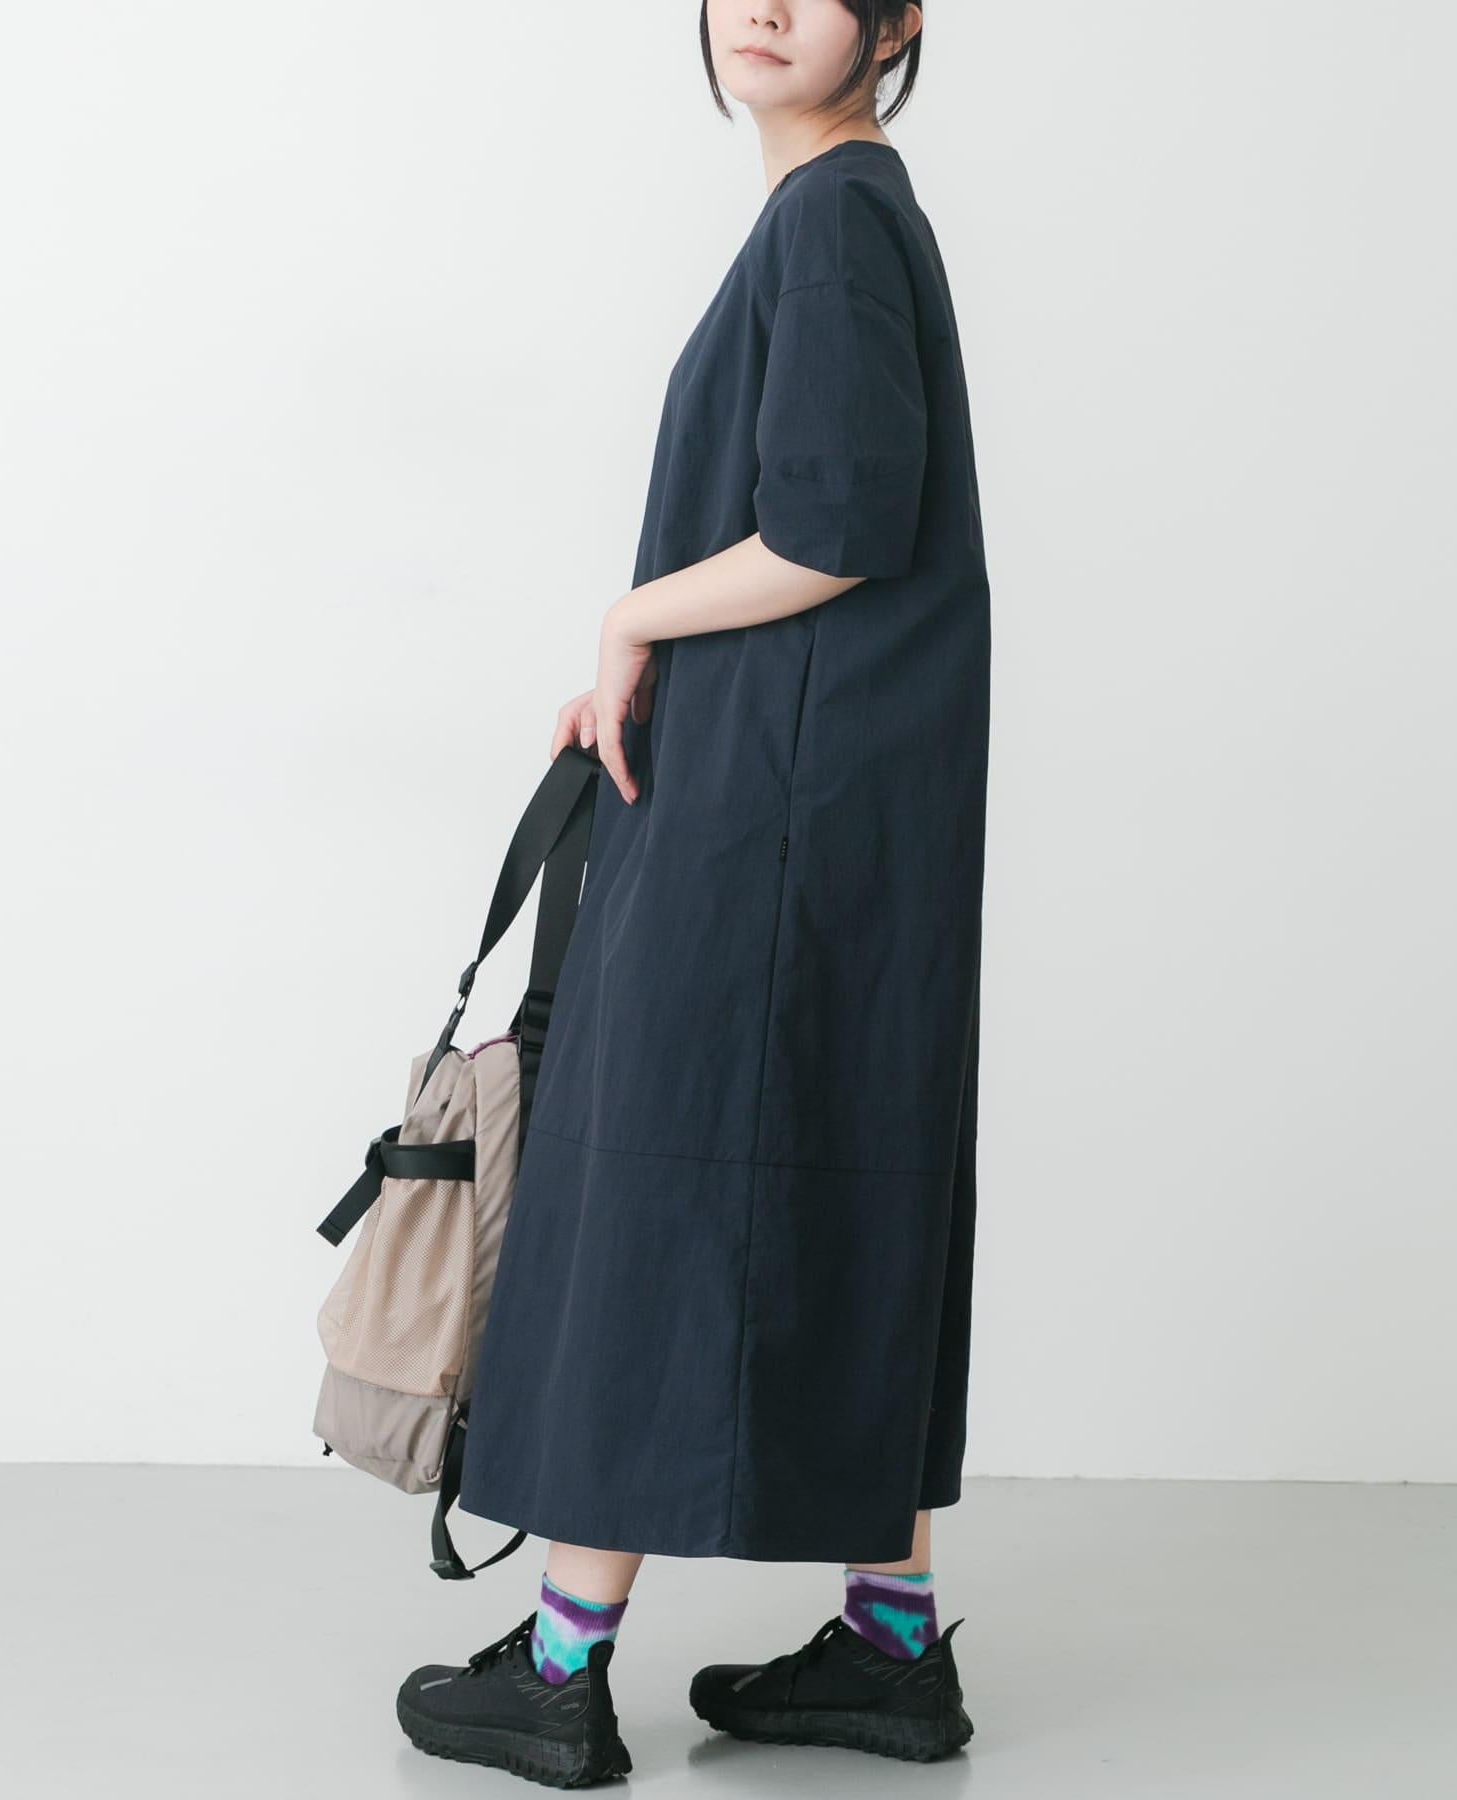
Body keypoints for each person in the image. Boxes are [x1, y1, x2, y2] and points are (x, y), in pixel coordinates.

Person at [396, 2, 989, 1784]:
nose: (764, 6)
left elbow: (834, 521)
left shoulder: (834, 219)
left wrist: (632, 618)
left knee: (655, 1186)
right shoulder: (846, 209)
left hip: (771, 816)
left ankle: (562, 1669)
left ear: (897, 20)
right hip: (827, 804)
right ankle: (891, 1647)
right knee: (830, 1182)